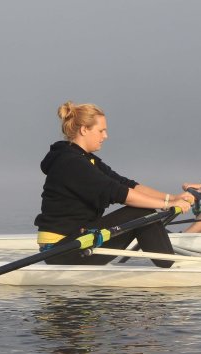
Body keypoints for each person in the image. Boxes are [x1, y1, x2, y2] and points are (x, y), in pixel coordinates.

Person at [34, 101, 192, 267]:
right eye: (101, 130)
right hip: (62, 250)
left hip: (76, 239)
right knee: (142, 213)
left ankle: (168, 261)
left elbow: (126, 184)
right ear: (84, 130)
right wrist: (167, 205)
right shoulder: (71, 162)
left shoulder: (85, 159)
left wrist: (172, 198)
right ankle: (171, 267)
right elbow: (120, 193)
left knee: (145, 213)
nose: (105, 136)